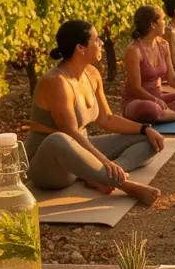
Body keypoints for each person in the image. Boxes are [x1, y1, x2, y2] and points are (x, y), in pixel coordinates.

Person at [26, 20, 164, 205]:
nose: (101, 43)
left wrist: (145, 128)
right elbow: (70, 132)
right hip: (52, 164)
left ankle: (98, 176)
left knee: (148, 141)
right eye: (96, 40)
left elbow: (106, 119)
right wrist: (105, 161)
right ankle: (125, 184)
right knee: (58, 138)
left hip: (83, 146)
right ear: (80, 48)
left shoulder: (92, 73)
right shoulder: (56, 81)